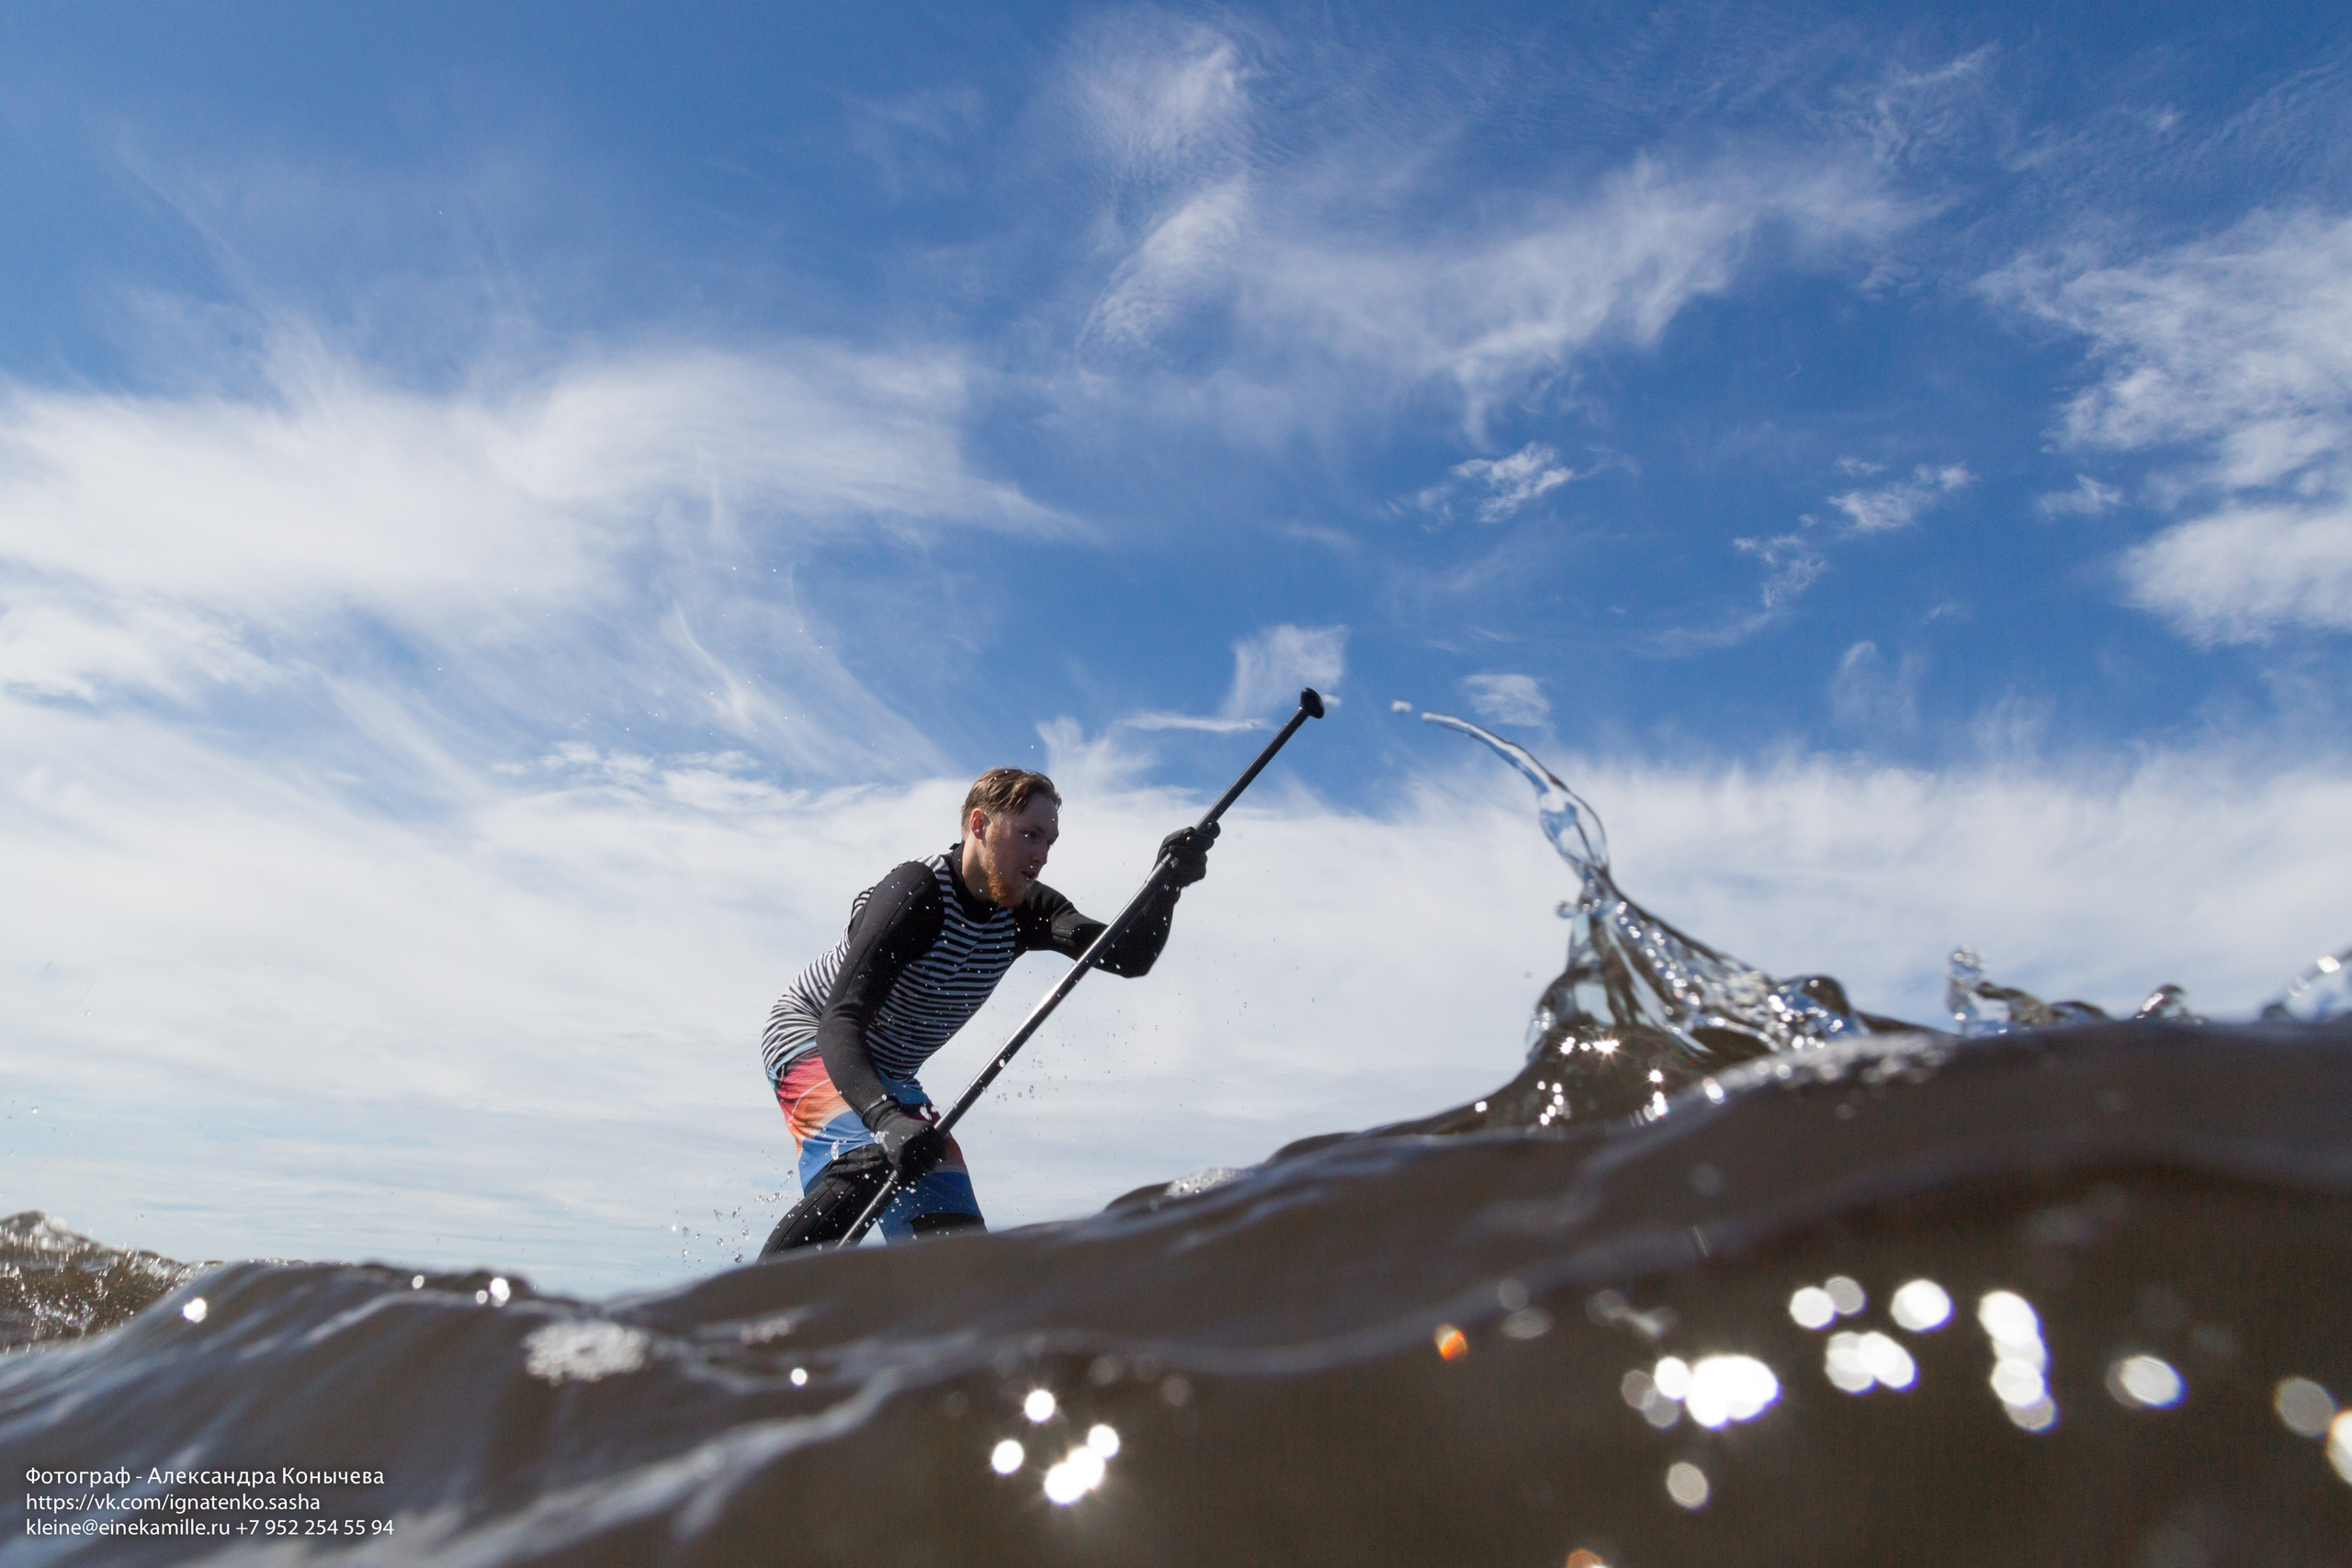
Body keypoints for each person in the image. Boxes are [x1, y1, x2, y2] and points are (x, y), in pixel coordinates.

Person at [757, 766, 1214, 1254]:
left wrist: (1167, 886)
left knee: (957, 1242)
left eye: (1049, 843)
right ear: (979, 825)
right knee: (874, 1159)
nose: (1041, 856)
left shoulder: (1026, 910)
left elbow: (1129, 956)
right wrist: (886, 1118)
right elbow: (840, 1021)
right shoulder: (916, 893)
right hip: (813, 1035)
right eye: (1029, 835)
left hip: (892, 1071)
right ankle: (759, 1295)